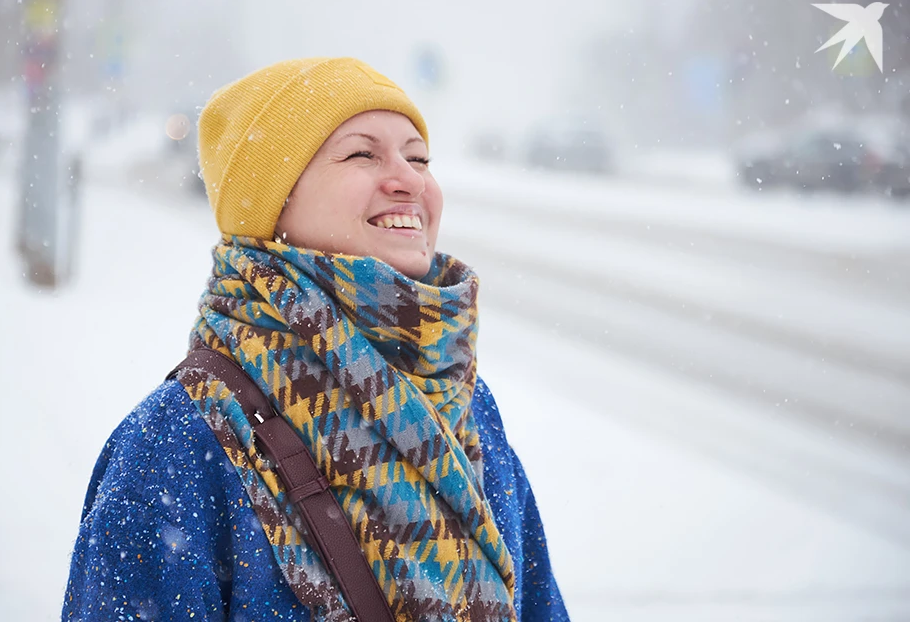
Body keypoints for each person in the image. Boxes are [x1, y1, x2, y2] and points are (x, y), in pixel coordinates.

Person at [62, 57, 569, 622]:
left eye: (419, 157)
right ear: (273, 200)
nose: (409, 179)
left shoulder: (469, 409)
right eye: (362, 153)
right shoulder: (176, 442)